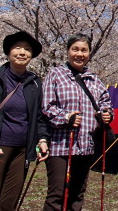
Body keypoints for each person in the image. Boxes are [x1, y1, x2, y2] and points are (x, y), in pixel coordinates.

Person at [0, 31, 50, 211]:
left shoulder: (35, 83)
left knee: (9, 201)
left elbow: (39, 116)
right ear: (8, 52)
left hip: (22, 150)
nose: (22, 52)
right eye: (18, 48)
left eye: (27, 49)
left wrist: (43, 139)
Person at [42, 33, 113, 211]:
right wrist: (66, 117)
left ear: (89, 53)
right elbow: (46, 107)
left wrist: (106, 114)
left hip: (85, 146)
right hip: (60, 146)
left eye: (84, 50)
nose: (79, 54)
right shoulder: (55, 74)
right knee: (57, 194)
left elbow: (106, 103)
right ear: (67, 51)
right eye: (75, 49)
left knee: (77, 194)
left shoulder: (94, 79)